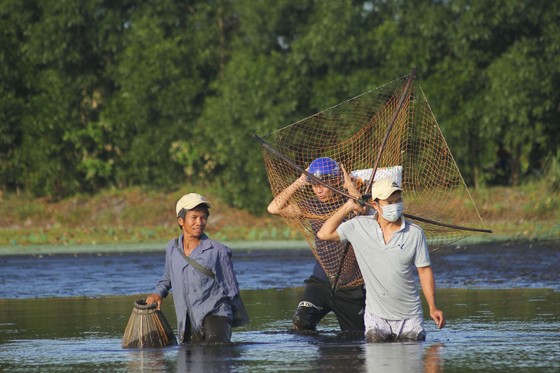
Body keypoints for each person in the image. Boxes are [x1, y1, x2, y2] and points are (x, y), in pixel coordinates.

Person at [317, 178, 446, 342]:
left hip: (409, 316)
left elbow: (424, 270)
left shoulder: (415, 233)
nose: (395, 206)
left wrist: (433, 307)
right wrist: (348, 206)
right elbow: (324, 234)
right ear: (375, 204)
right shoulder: (359, 226)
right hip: (376, 317)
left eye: (398, 201)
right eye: (389, 202)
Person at [267, 157, 366, 333]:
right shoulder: (310, 205)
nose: (318, 190)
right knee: (301, 323)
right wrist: (300, 181)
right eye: (314, 185)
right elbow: (274, 208)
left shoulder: (351, 204)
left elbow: (362, 207)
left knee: (355, 338)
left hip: (352, 286)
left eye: (322, 184)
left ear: (335, 181)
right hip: (321, 282)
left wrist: (349, 185)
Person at [146, 193, 242, 344]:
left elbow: (232, 289)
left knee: (215, 356)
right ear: (181, 221)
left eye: (203, 217)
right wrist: (157, 294)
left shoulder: (218, 251)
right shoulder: (173, 247)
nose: (199, 222)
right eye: (194, 217)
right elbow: (167, 277)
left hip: (216, 317)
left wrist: (234, 319)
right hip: (187, 320)